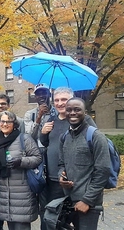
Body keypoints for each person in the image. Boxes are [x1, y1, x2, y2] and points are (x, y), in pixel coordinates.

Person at [39, 87, 96, 230]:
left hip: (77, 183)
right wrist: (43, 133)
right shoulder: (51, 120)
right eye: (56, 100)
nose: (59, 103)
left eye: (64, 99)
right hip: (53, 180)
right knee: (55, 222)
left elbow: (94, 145)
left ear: (71, 100)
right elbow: (46, 144)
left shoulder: (83, 120)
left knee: (78, 222)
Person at [58, 97, 110, 230]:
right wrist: (61, 177)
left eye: (77, 109)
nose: (72, 113)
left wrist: (87, 200)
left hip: (89, 204)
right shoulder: (64, 137)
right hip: (69, 200)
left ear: (85, 112)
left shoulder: (96, 137)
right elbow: (61, 164)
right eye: (69, 110)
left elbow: (103, 171)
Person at [0, 111, 41, 230]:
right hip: (5, 191)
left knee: (21, 226)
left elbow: (37, 158)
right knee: (11, 226)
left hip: (22, 191)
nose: (4, 124)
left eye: (8, 121)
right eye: (2, 121)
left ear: (14, 124)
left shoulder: (24, 139)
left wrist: (20, 161)